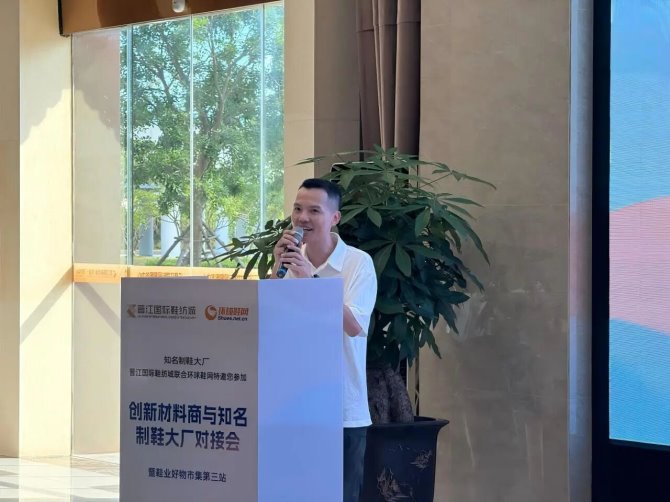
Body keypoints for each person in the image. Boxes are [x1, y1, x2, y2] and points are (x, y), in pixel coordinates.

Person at [271, 178, 377, 502]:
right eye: (297, 209)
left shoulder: (358, 263)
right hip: (294, 406)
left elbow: (355, 325)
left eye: (314, 211)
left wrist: (311, 280)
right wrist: (276, 270)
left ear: (335, 218)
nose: (302, 218)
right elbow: (272, 325)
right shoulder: (290, 263)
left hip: (341, 411)